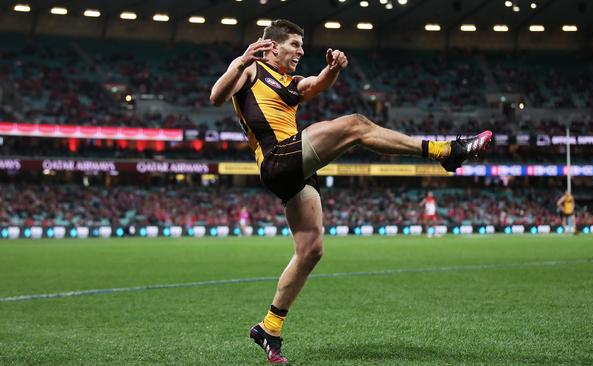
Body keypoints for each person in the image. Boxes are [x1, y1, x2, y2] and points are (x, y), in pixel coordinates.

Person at [209, 19, 492, 364]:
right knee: (356, 125)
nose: (300, 51)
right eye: (295, 45)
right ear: (273, 45)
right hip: (277, 158)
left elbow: (315, 85)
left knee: (311, 251)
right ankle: (445, 151)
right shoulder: (251, 68)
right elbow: (216, 96)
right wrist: (240, 60)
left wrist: (332, 70)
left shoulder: (290, 82)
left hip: (294, 168)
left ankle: (269, 327)